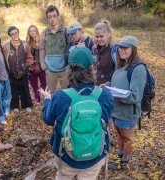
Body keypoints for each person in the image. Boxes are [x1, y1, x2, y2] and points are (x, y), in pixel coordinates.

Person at [40, 47, 114, 179]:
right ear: (92, 68)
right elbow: (106, 119)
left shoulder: (60, 96)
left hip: (66, 155)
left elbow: (48, 120)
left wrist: (47, 100)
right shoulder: (106, 94)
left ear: (69, 69)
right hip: (96, 153)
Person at [108, 36, 147, 169]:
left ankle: (124, 163)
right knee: (119, 135)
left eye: (126, 47)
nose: (122, 50)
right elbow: (117, 83)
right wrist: (107, 86)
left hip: (128, 113)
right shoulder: (121, 65)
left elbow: (136, 96)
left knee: (127, 139)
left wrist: (115, 94)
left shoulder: (138, 69)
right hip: (116, 110)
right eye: (121, 47)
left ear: (133, 49)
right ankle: (118, 157)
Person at [40, 5, 69, 93]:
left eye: (54, 16)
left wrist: (69, 66)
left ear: (58, 16)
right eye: (49, 17)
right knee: (50, 94)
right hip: (50, 70)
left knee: (67, 94)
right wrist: (44, 66)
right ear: (47, 19)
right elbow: (42, 49)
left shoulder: (65, 31)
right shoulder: (44, 33)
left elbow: (70, 48)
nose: (52, 19)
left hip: (65, 70)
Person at [3, 26, 33, 112]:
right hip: (12, 72)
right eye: (12, 34)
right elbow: (4, 59)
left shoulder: (25, 44)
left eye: (16, 33)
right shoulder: (7, 46)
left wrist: (26, 64)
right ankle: (15, 106)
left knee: (25, 88)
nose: (14, 35)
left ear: (18, 33)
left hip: (23, 71)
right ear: (10, 35)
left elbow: (29, 57)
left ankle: (27, 105)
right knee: (14, 90)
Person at [26, 25, 47, 104]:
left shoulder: (42, 41)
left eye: (34, 30)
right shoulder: (27, 43)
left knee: (44, 84)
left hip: (42, 67)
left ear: (37, 31)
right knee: (34, 85)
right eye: (30, 31)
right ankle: (37, 96)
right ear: (28, 33)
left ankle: (46, 96)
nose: (32, 32)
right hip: (32, 68)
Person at [92, 20, 115, 86]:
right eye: (97, 37)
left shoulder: (114, 50)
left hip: (108, 88)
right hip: (96, 85)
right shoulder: (95, 49)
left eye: (101, 36)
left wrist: (109, 84)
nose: (98, 39)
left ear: (109, 34)